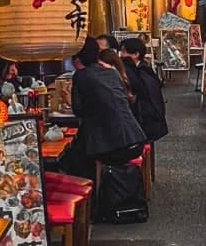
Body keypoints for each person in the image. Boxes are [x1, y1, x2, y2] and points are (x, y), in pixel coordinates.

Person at [66, 37, 146, 166]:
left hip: (111, 146)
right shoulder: (111, 72)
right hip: (135, 138)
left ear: (77, 58)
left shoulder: (81, 76)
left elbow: (78, 110)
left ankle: (99, 178)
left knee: (72, 158)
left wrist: (68, 98)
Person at [119, 37, 168, 143]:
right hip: (148, 120)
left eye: (124, 51)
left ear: (136, 54)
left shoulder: (137, 70)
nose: (121, 55)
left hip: (145, 119)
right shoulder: (145, 69)